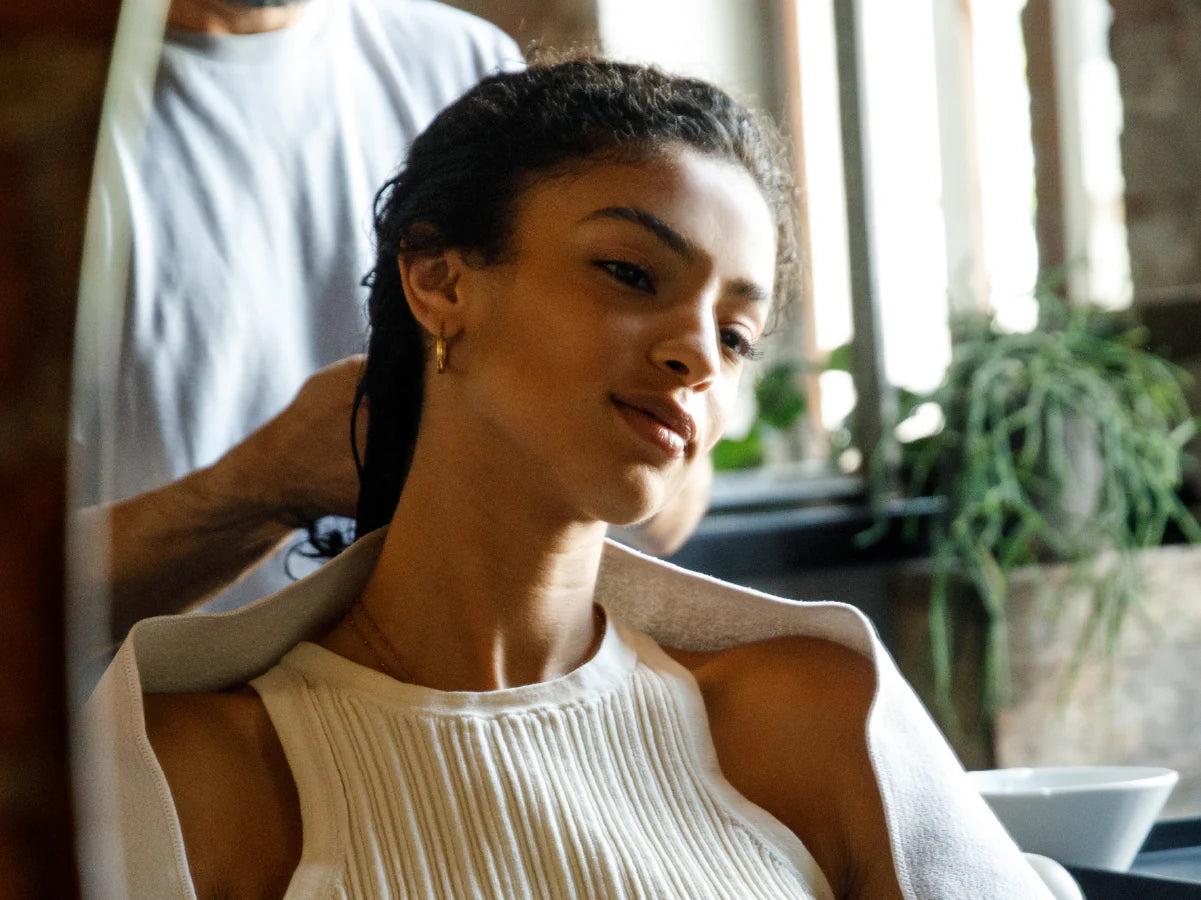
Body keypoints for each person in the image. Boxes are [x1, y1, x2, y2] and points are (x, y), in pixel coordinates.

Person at [84, 59, 1057, 899]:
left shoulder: (809, 721)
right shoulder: (201, 770)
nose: (697, 358)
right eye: (630, 274)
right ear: (439, 279)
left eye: (735, 333)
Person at [74, 0, 709, 642]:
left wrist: (643, 446)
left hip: (445, 698)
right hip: (144, 723)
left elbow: (664, 514)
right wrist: (260, 490)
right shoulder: (37, 111)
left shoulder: (466, 68)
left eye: (738, 334)